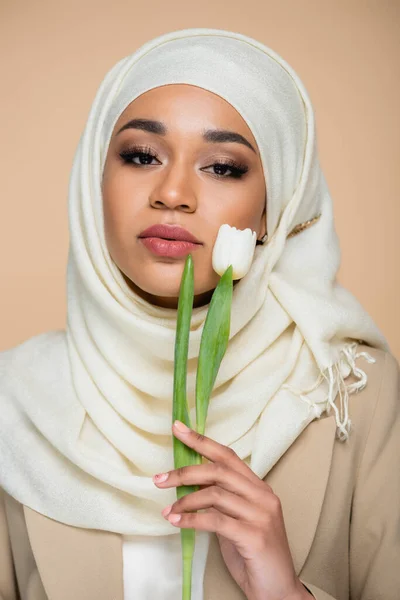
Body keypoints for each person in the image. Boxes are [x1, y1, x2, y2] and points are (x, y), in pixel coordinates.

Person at [0, 27, 399, 600]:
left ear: (274, 208)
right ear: (95, 182)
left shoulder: (355, 397)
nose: (173, 192)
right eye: (141, 156)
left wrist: (284, 591)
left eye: (223, 167)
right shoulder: (15, 406)